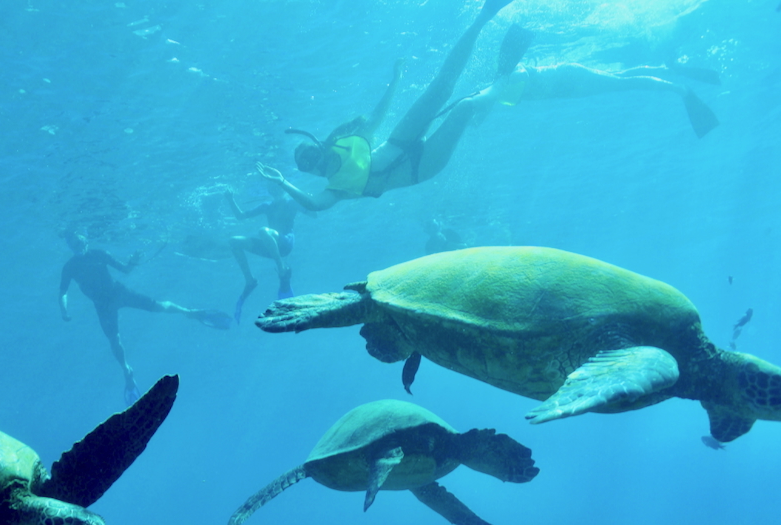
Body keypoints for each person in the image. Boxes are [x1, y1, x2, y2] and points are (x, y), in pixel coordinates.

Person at [256, 0, 528, 211]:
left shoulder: (344, 144)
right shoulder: (335, 190)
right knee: (463, 108)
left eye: (310, 153)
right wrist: (282, 182)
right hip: (420, 169)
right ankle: (500, 85)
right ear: (311, 172)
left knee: (441, 87)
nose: (312, 160)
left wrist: (396, 79)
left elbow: (377, 115)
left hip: (397, 143)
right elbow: (314, 204)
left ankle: (485, 13)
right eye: (306, 163)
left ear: (320, 146)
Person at [59, 231, 230, 405]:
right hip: (104, 305)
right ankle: (127, 370)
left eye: (80, 242)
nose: (79, 246)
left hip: (118, 293)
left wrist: (133, 260)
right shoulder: (69, 267)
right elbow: (63, 292)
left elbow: (126, 269)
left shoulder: (99, 253)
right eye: (74, 244)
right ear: (70, 247)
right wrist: (64, 310)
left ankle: (189, 312)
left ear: (85, 240)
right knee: (114, 339)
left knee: (154, 307)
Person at [497, 62, 720, 138]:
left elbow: (523, 74)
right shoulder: (501, 85)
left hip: (571, 79)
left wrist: (507, 92)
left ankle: (680, 89)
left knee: (621, 84)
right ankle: (667, 69)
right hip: (571, 83)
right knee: (619, 78)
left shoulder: (507, 77)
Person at [227, 190, 313, 322]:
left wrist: (307, 201)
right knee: (234, 241)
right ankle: (250, 280)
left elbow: (314, 214)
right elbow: (241, 216)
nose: (274, 190)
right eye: (270, 186)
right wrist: (230, 199)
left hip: (285, 244)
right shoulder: (266, 206)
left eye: (275, 186)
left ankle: (281, 269)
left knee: (263, 231)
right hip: (270, 245)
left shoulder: (292, 203)